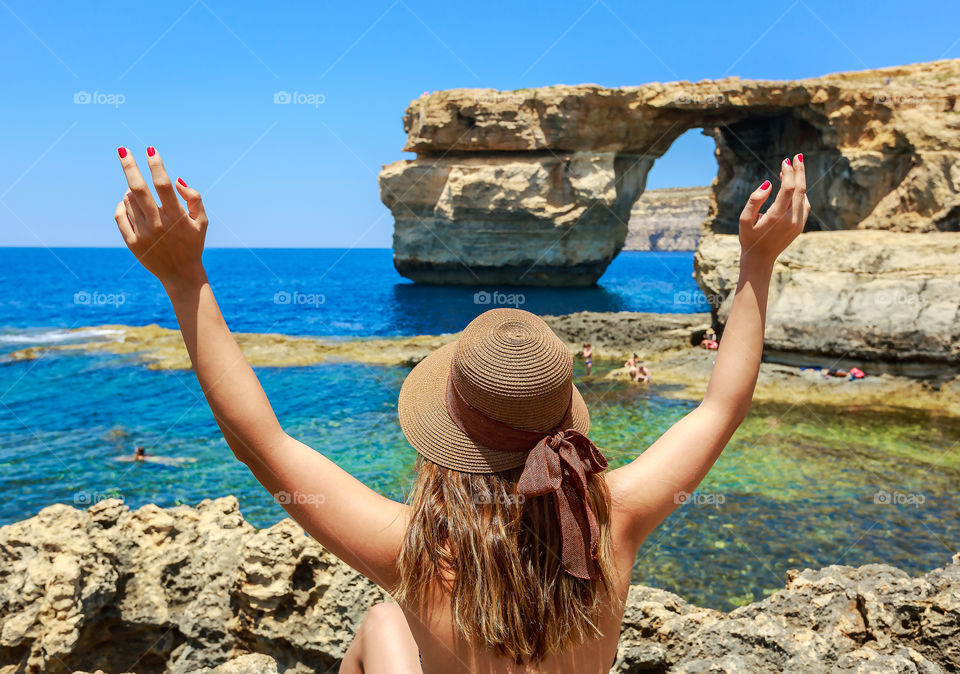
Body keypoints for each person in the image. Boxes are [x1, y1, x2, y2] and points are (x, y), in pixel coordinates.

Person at [111, 146, 808, 673]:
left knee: (383, 628)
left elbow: (262, 442)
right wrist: (758, 262)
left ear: (446, 431)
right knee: (386, 624)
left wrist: (184, 275)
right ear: (564, 418)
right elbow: (721, 406)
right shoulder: (613, 521)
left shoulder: (414, 554)